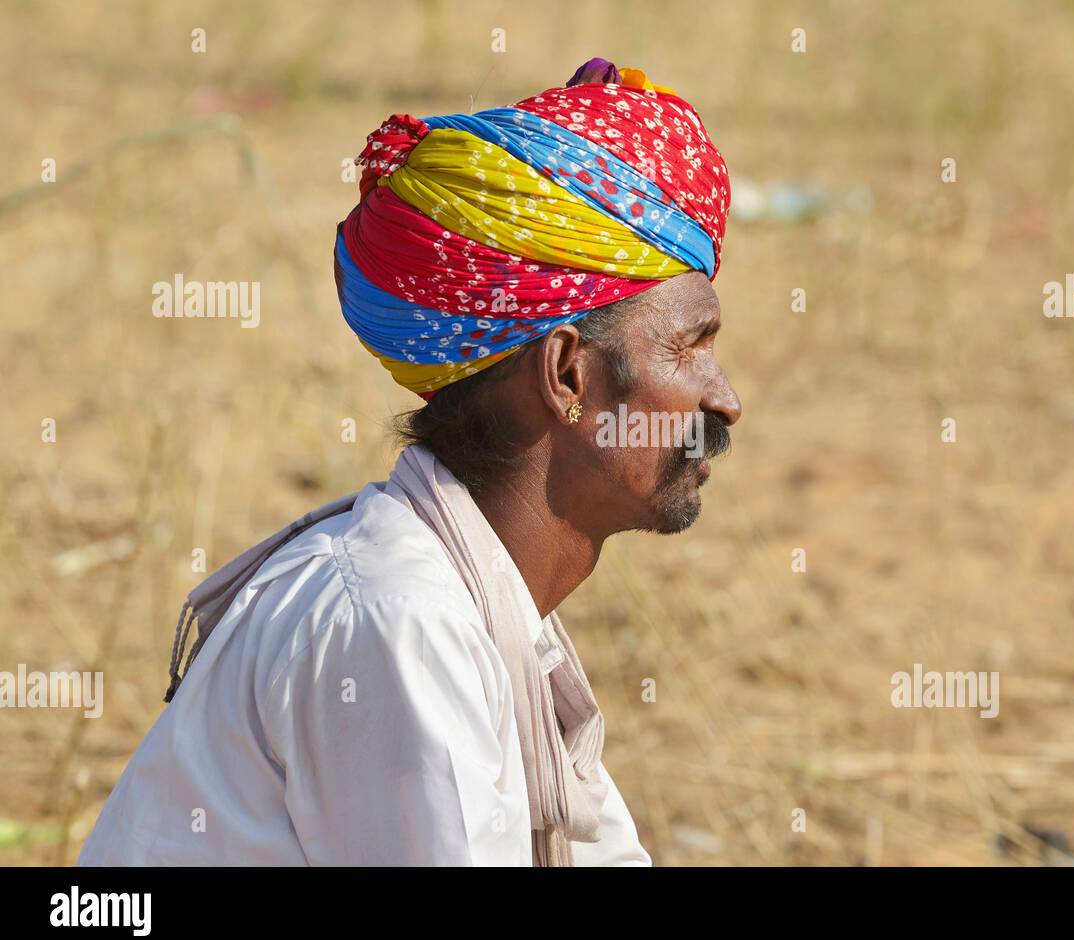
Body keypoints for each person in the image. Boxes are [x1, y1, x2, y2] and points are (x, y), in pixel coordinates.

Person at [78, 57, 741, 866]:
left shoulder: (486, 608)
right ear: (568, 375)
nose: (724, 401)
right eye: (690, 347)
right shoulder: (399, 620)